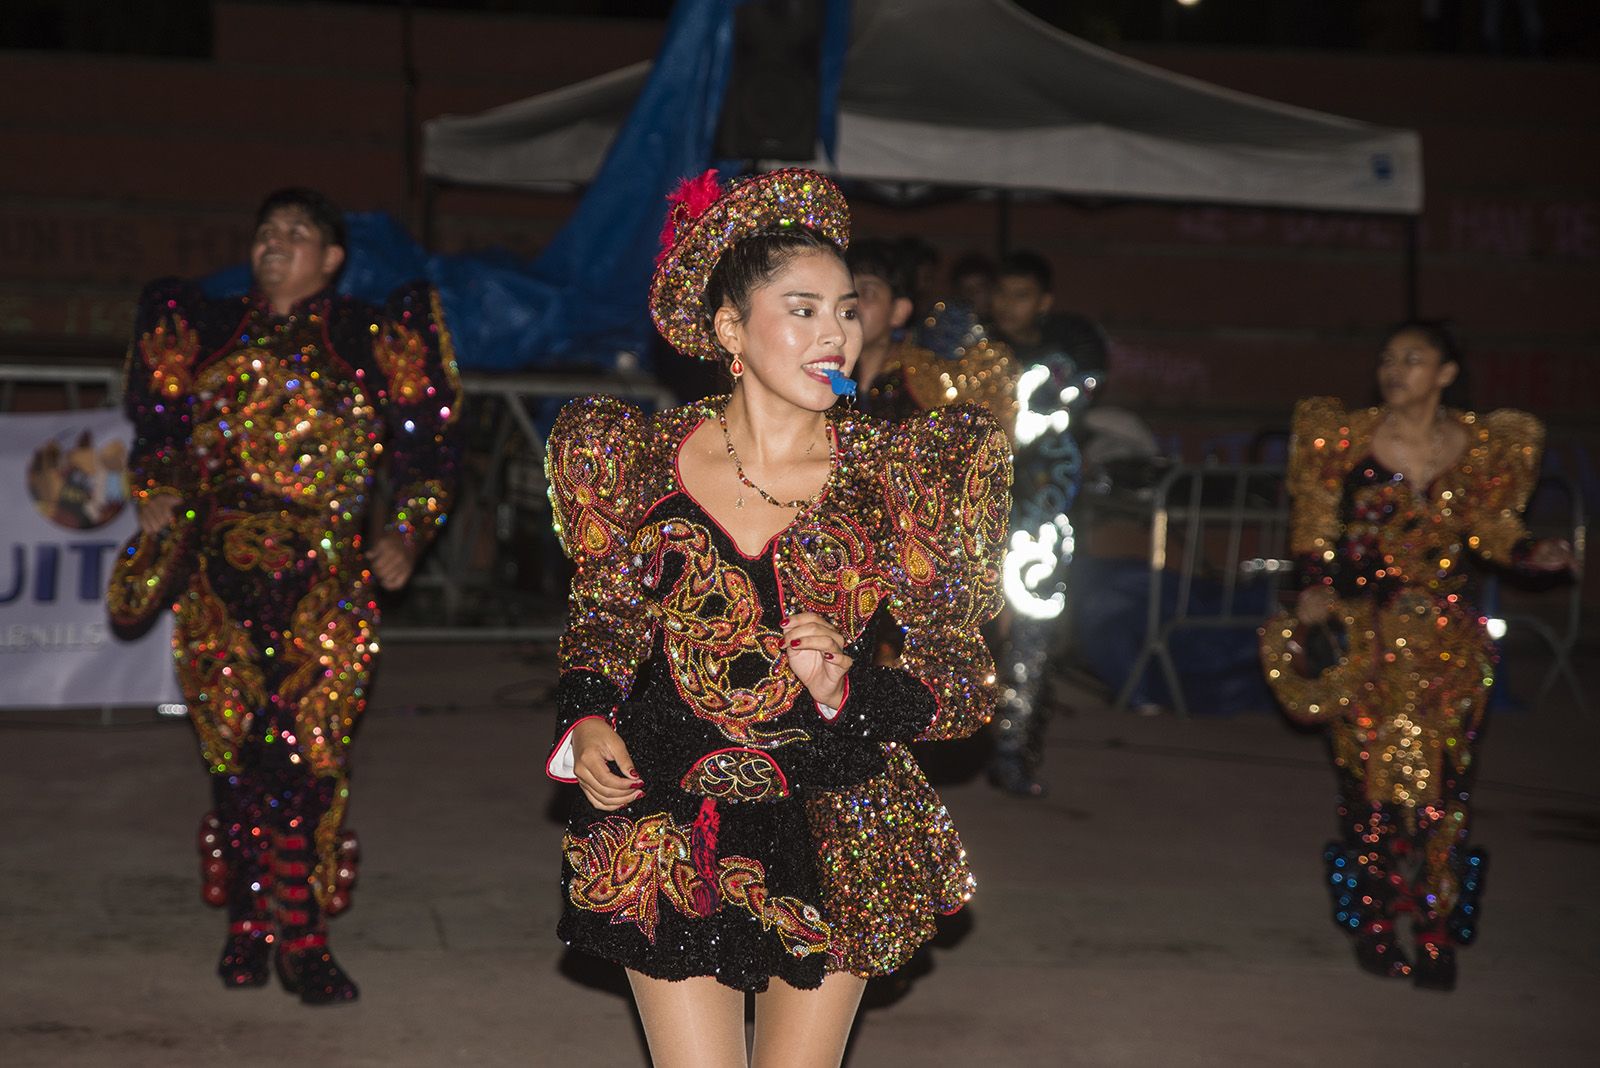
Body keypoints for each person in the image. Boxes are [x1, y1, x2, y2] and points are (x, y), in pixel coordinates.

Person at [543, 168, 1010, 1067]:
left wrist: (848, 690)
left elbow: (962, 681)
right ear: (729, 330)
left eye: (845, 308)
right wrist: (589, 714)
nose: (835, 331)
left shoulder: (899, 477)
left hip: (835, 819)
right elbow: (602, 620)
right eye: (803, 309)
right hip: (669, 818)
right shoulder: (637, 461)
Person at [107, 187, 462, 1004]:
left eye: (297, 232)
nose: (276, 241)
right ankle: (247, 923)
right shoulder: (203, 327)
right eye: (266, 229)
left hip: (326, 578)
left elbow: (430, 451)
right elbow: (157, 437)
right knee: (233, 756)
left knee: (307, 756)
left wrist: (406, 534)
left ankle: (302, 933)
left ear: (331, 258)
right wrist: (156, 490)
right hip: (216, 576)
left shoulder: (369, 336)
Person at [1261, 320, 1573, 991]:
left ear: (1446, 373)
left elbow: (1492, 528)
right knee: (1368, 788)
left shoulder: (1482, 447)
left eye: (1412, 359)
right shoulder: (1343, 440)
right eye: (1386, 359)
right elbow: (1315, 527)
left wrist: (1530, 552)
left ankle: (1435, 928)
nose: (1393, 370)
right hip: (1365, 641)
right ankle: (1375, 923)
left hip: (1448, 651)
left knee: (1445, 791)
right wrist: (1315, 589)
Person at [989, 250, 1108, 371]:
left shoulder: (1072, 340)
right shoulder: (981, 347)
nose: (1007, 303)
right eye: (1000, 292)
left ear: (1044, 302)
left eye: (1021, 296)